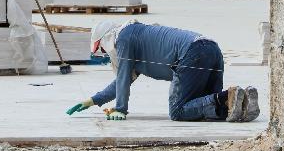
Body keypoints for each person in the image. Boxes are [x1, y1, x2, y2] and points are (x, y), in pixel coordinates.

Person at [65, 20, 259, 122]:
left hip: (191, 53)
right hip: (211, 49)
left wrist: (120, 109)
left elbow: (122, 79)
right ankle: (240, 103)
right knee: (203, 109)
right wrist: (92, 101)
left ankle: (229, 96)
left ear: (106, 40)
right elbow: (120, 82)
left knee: (178, 111)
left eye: (101, 50)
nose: (105, 55)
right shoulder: (134, 37)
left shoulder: (123, 39)